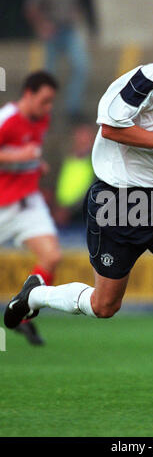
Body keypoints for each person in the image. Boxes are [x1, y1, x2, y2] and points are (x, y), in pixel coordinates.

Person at [4, 4, 153, 409]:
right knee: (104, 306)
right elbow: (111, 127)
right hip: (119, 201)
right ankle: (36, 297)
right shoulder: (149, 77)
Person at [0, 71, 61, 345]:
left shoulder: (42, 119)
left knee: (51, 257)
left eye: (51, 102)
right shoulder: (7, 119)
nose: (48, 108)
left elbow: (30, 150)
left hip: (27, 203)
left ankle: (21, 313)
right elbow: (18, 152)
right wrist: (17, 156)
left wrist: (35, 164)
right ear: (28, 94)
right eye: (44, 101)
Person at [24, 0, 97, 123]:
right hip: (52, 30)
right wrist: (42, 26)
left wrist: (86, 24)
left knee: (81, 67)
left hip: (69, 29)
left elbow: (83, 3)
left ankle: (73, 108)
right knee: (47, 73)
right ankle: (40, 108)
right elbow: (31, 7)